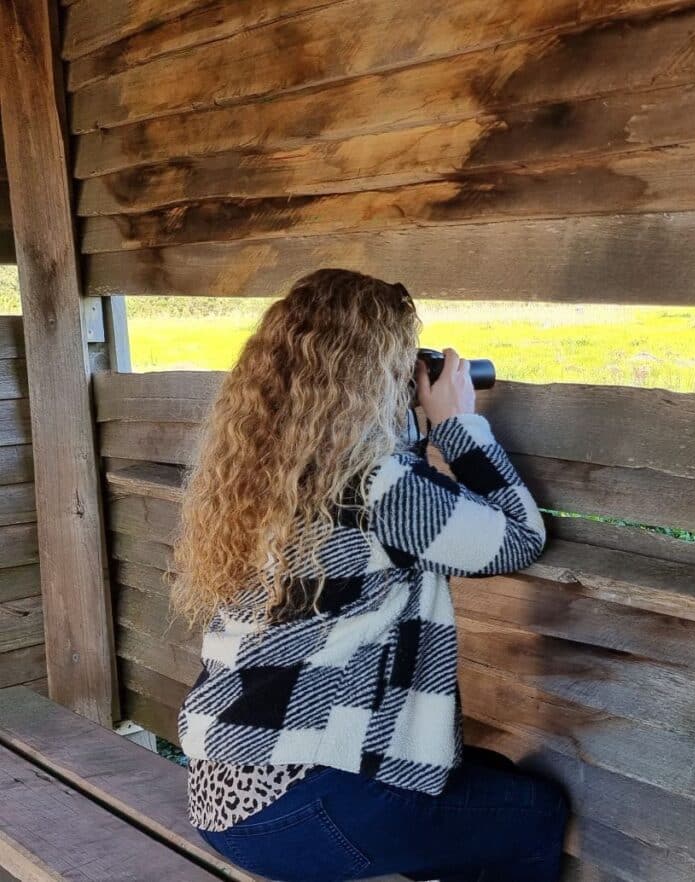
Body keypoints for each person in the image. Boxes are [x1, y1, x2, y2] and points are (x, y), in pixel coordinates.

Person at [170, 268, 569, 882]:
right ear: (374, 373)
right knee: (532, 814)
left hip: (223, 799)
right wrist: (457, 422)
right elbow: (518, 538)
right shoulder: (378, 488)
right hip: (301, 811)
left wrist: (414, 434)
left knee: (494, 786)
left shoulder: (265, 475)